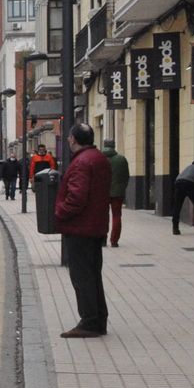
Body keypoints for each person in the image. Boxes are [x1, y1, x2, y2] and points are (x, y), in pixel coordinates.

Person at [55, 122, 111, 338]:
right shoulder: (99, 159)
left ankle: (89, 321)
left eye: (69, 138)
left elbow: (76, 198)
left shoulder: (81, 163)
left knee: (82, 276)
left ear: (72, 139)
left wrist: (60, 212)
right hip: (95, 226)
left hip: (80, 228)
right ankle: (98, 319)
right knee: (93, 274)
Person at [101, 139, 129, 248]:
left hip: (102, 192)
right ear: (114, 146)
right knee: (117, 216)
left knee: (102, 216)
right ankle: (114, 241)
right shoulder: (121, 159)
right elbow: (126, 176)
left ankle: (102, 240)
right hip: (118, 192)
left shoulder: (99, 158)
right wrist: (122, 188)